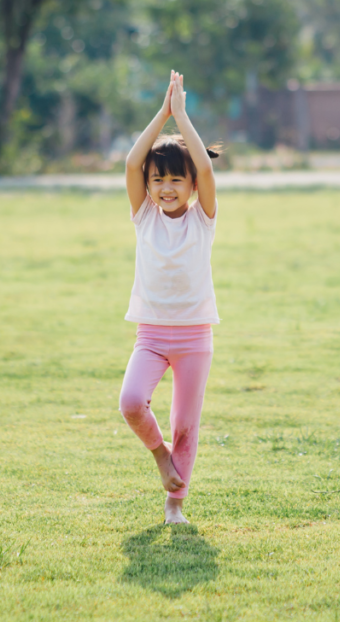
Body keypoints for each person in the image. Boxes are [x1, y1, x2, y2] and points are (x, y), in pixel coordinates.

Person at [118, 70, 221, 524]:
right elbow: (129, 164)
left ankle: (175, 504)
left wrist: (183, 118)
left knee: (186, 425)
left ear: (191, 186)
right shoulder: (144, 216)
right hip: (152, 335)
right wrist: (162, 116)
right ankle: (161, 458)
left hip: (195, 337)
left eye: (176, 180)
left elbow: (205, 167)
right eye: (158, 179)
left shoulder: (203, 219)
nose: (165, 187)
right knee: (130, 402)